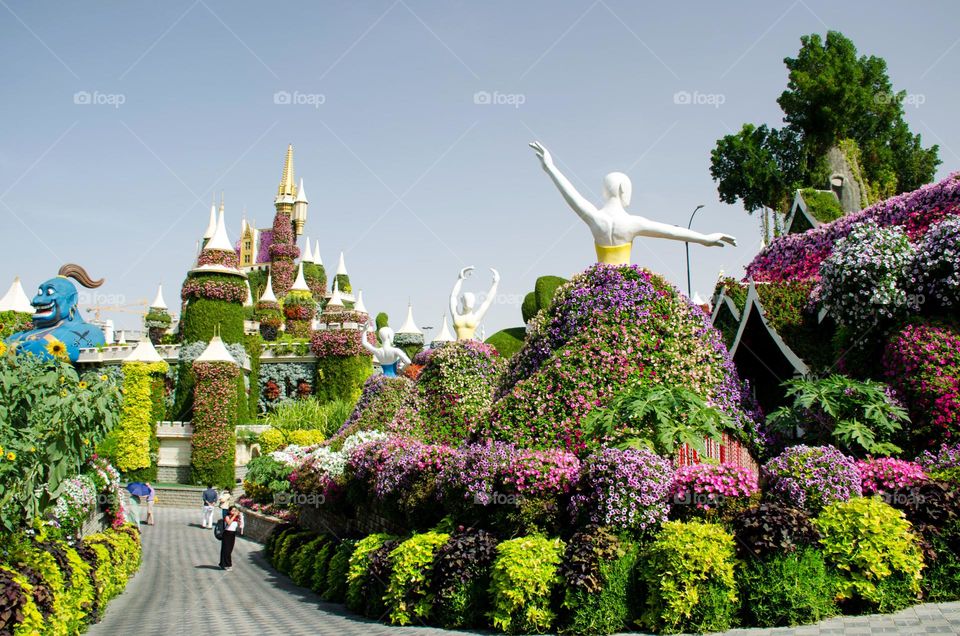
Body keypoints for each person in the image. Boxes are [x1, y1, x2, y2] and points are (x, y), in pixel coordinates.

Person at [529, 141, 736, 266]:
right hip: (626, 290)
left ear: (604, 190)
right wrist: (704, 239)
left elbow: (571, 195)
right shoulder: (631, 223)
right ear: (623, 190)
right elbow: (671, 232)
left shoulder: (595, 218)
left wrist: (550, 169)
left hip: (599, 290)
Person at [449, 266, 500, 340]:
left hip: (472, 350)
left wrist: (495, 284)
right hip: (457, 349)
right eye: (466, 300)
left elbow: (487, 301)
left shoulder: (475, 317)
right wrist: (460, 279)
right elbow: (452, 297)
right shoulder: (456, 315)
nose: (469, 302)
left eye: (470, 300)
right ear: (462, 301)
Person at [219, 506, 244, 571]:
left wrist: (240, 518)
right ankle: (228, 565)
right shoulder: (227, 516)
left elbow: (239, 525)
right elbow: (229, 523)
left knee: (229, 550)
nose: (234, 512)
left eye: (235, 510)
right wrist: (234, 516)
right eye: (232, 510)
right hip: (227, 534)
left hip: (232, 534)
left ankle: (223, 564)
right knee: (226, 550)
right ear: (229, 511)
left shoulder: (236, 518)